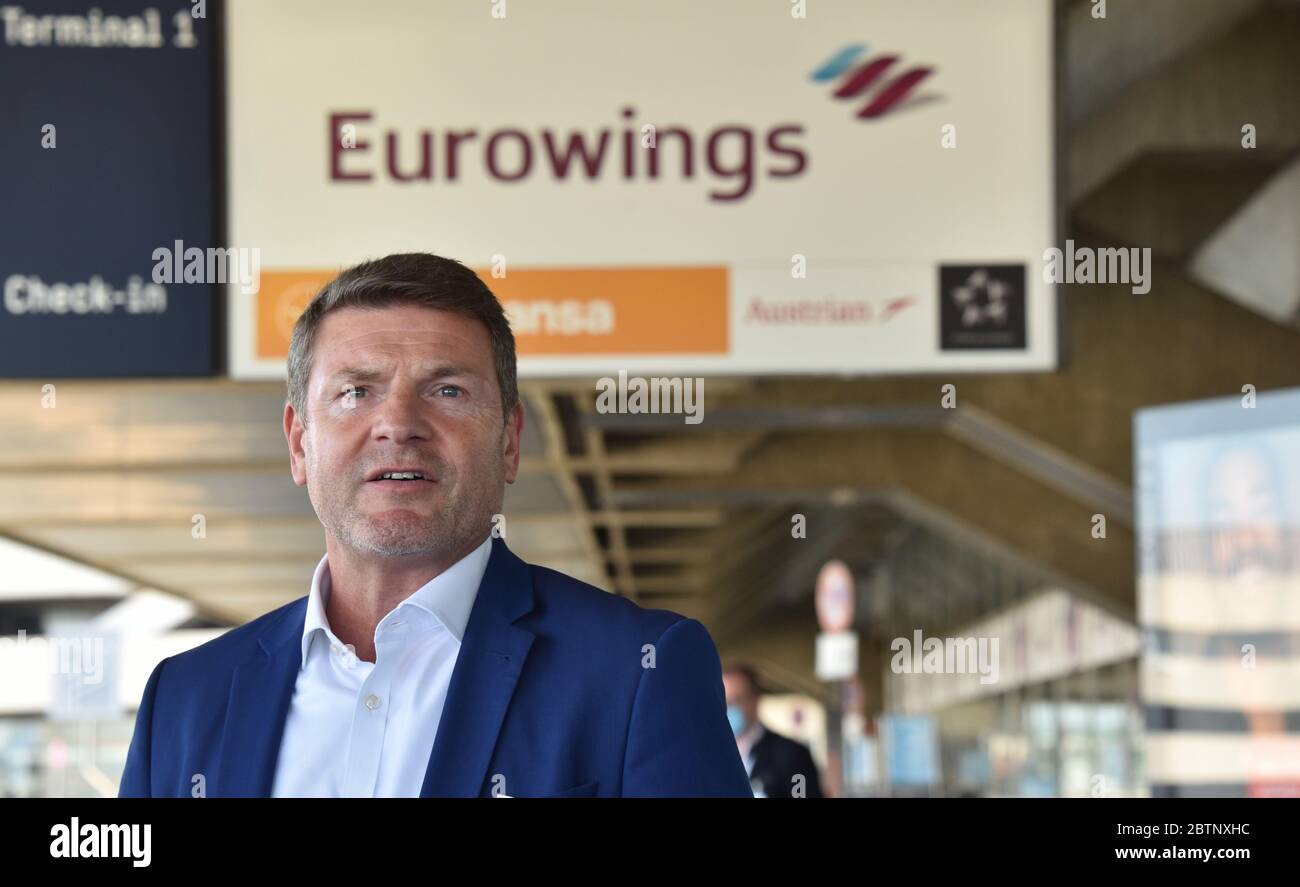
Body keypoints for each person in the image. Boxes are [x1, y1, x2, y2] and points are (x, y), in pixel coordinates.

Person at [119, 253, 752, 798]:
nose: (399, 423)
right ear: (298, 442)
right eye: (355, 391)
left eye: (447, 390)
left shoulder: (637, 674)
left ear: (509, 441)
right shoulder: (185, 700)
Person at [722, 663, 823, 798]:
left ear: (755, 700)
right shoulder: (711, 754)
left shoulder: (791, 755)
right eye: (724, 702)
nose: (729, 709)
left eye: (736, 700)